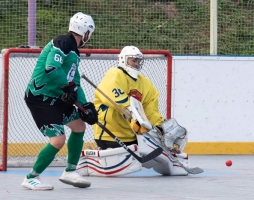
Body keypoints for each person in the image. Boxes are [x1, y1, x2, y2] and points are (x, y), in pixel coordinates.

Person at [77, 46, 189, 177]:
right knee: (125, 164)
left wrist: (159, 128)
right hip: (110, 135)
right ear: (124, 60)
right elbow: (114, 95)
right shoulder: (114, 74)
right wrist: (130, 109)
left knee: (156, 151)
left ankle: (172, 158)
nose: (136, 64)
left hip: (133, 136)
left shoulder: (145, 83)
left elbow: (151, 111)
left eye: (138, 61)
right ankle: (92, 159)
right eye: (133, 60)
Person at [21, 12, 98, 190]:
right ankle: (31, 177)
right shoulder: (63, 42)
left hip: (58, 96)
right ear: (86, 32)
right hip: (40, 98)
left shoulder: (74, 51)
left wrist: (85, 105)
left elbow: (75, 81)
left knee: (79, 127)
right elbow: (51, 68)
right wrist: (67, 87)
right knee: (58, 140)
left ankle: (70, 171)